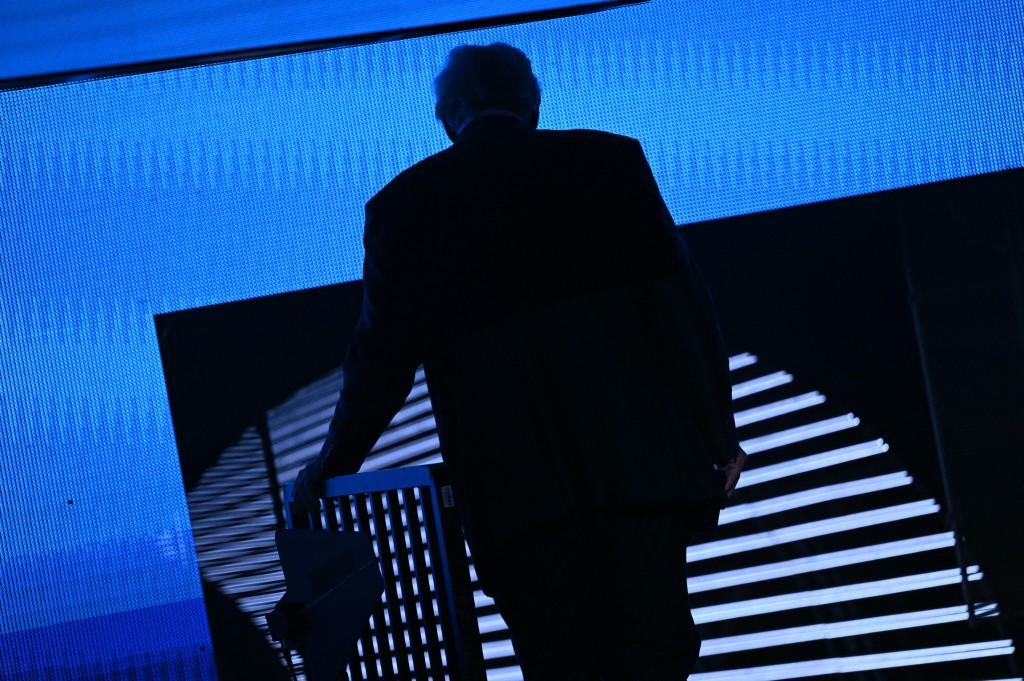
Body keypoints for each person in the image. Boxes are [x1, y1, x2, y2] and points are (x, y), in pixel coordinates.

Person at [294, 42, 747, 679]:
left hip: (517, 506)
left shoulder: (405, 207)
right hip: (636, 478)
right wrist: (719, 438)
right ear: (532, 102)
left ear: (446, 114)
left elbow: (382, 361)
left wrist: (332, 466)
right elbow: (680, 312)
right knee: (655, 658)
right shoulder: (609, 162)